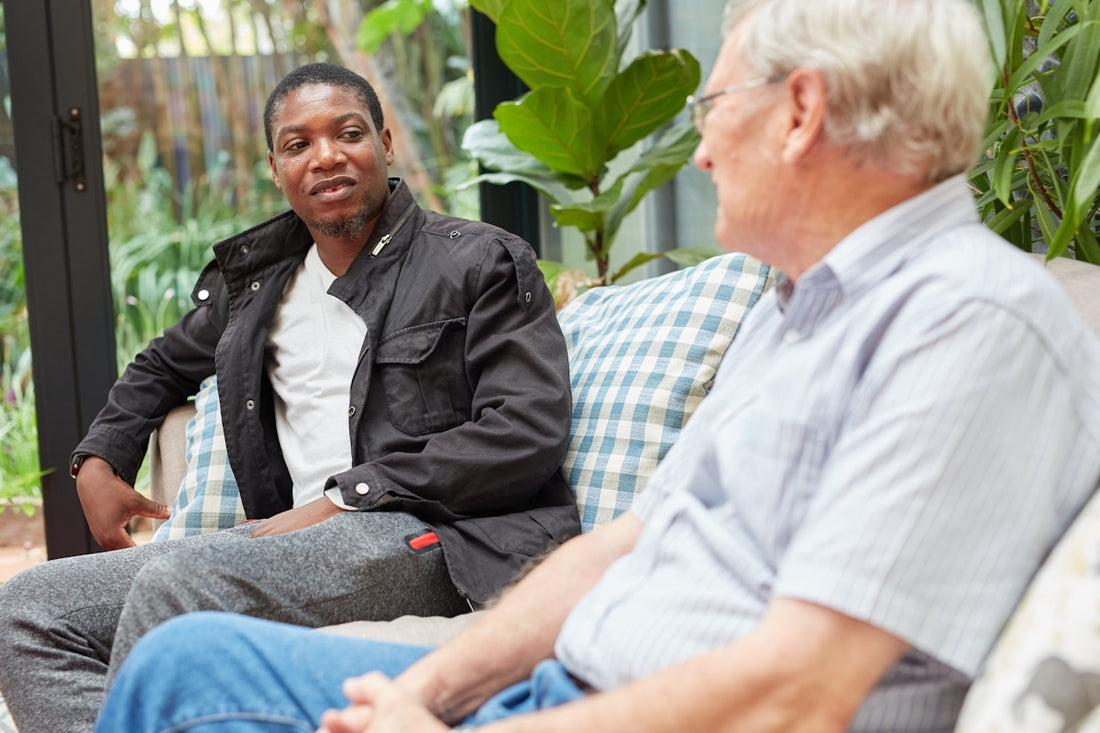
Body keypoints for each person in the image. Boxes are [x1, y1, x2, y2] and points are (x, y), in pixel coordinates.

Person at [94, 0, 1100, 730]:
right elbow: (626, 539)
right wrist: (426, 694)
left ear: (797, 112)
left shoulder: (965, 325)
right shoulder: (797, 310)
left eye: (712, 106)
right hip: (563, 690)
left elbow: (798, 688)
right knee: (185, 661)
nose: (699, 151)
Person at [0, 63, 580, 733]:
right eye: (298, 144)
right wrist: (99, 457)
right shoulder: (259, 289)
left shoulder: (478, 261)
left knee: (184, 582)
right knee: (27, 608)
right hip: (281, 547)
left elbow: (526, 429)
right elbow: (160, 363)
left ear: (385, 144)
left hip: (442, 536)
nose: (326, 155)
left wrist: (344, 497)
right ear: (275, 168)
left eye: (349, 133)